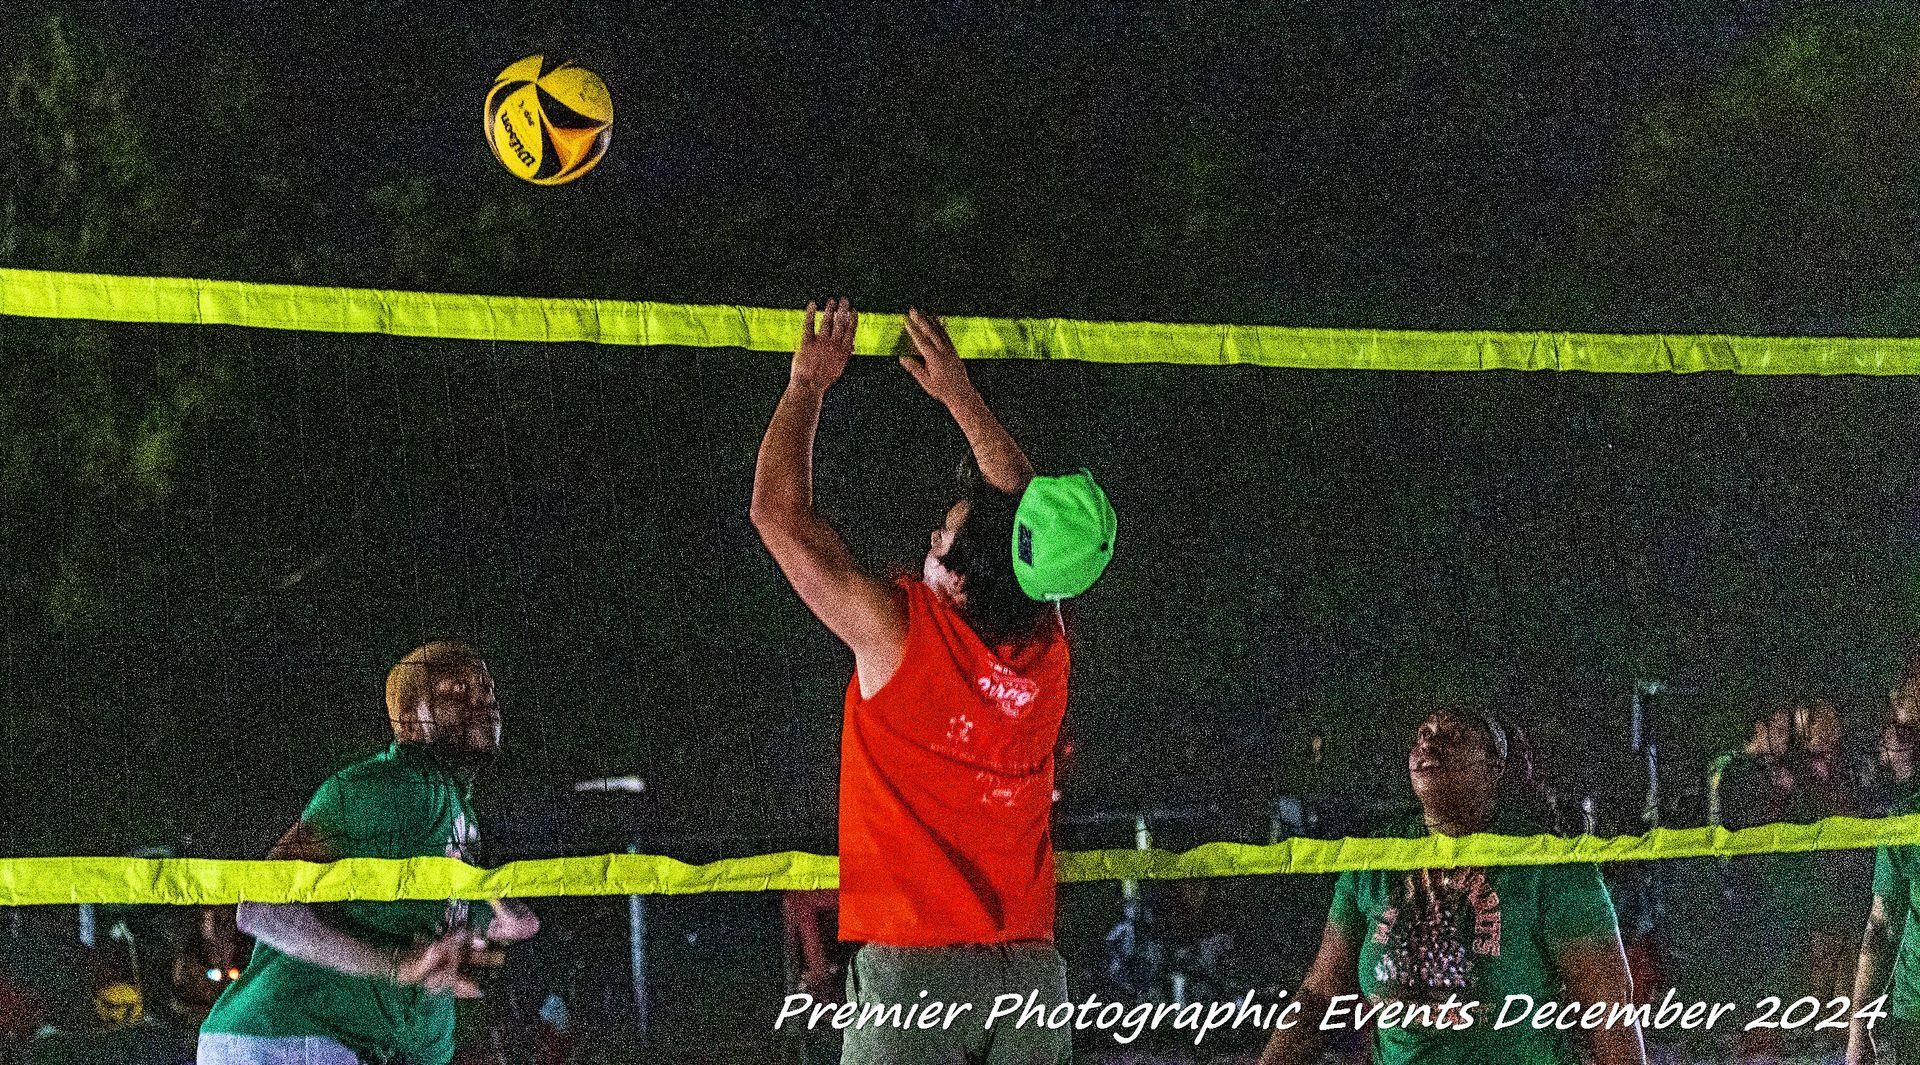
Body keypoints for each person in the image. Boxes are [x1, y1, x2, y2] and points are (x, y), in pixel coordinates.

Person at [751, 300, 1115, 1064]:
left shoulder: (897, 633)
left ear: (958, 575)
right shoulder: (1047, 650)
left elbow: (778, 516)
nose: (931, 534)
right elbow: (1026, 518)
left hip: (920, 971)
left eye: (943, 534)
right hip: (1029, 972)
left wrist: (806, 387)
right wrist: (959, 394)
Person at [198, 642, 539, 1065]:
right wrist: (398, 964)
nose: (482, 699)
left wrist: (496, 917)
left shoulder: (457, 808)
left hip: (353, 1045)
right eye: (457, 689)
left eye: (487, 688)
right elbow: (260, 908)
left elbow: (451, 921)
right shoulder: (389, 784)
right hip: (290, 1036)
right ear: (412, 717)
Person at [1260, 707, 1646, 1065]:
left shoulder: (1546, 865)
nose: (1429, 742)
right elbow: (1320, 993)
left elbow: (1608, 1004)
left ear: (1495, 764)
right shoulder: (1374, 859)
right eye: (1422, 734)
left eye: (1454, 736)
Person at [1706, 702, 1793, 830]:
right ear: (1760, 729)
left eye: (1787, 733)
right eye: (1780, 732)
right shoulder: (1725, 764)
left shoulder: (1776, 768)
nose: (1785, 740)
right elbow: (1715, 819)